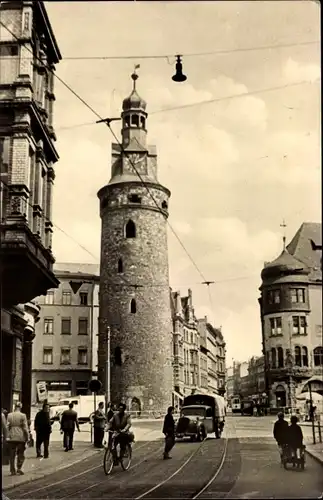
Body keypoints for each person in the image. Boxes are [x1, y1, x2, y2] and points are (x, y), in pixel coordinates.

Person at [6, 402, 29, 476]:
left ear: (15, 407)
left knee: (12, 454)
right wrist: (27, 437)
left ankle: (12, 470)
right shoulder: (23, 415)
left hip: (12, 437)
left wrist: (8, 435)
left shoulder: (9, 415)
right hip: (20, 437)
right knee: (20, 453)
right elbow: (25, 428)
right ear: (20, 407)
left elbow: (7, 426)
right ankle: (19, 468)